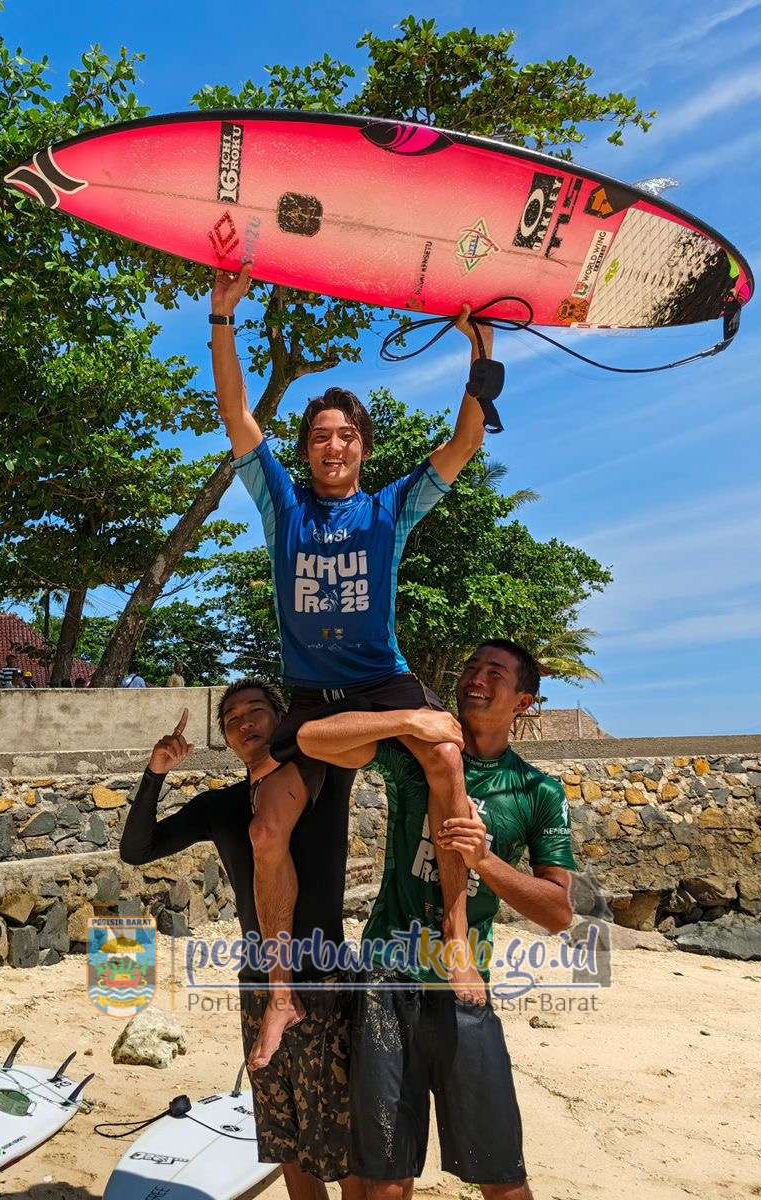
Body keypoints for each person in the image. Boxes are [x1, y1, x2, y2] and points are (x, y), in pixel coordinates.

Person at [211, 261, 493, 1066]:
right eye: (319, 437)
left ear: (362, 449)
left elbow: (465, 439)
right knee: (268, 828)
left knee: (446, 754)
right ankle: (282, 998)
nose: (332, 445)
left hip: (377, 676)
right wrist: (223, 320)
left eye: (346, 435)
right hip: (311, 696)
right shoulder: (283, 505)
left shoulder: (390, 507)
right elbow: (235, 412)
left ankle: (455, 934)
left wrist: (482, 352)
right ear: (305, 452)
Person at [297, 640, 576, 1200]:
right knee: (385, 1181)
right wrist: (405, 716)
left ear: (522, 702)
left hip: (465, 987)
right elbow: (311, 738)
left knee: (503, 1178)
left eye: (494, 672)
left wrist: (486, 860)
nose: (476, 677)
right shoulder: (413, 756)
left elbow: (558, 912)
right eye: (472, 666)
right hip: (385, 980)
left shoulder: (537, 791)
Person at [120, 685, 366, 1200]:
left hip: (324, 977)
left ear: (280, 718)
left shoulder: (322, 774)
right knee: (284, 1140)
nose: (244, 722)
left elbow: (349, 720)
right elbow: (137, 850)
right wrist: (156, 772)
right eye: (231, 718)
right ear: (226, 738)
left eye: (256, 711)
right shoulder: (221, 806)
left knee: (339, 1142)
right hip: (258, 981)